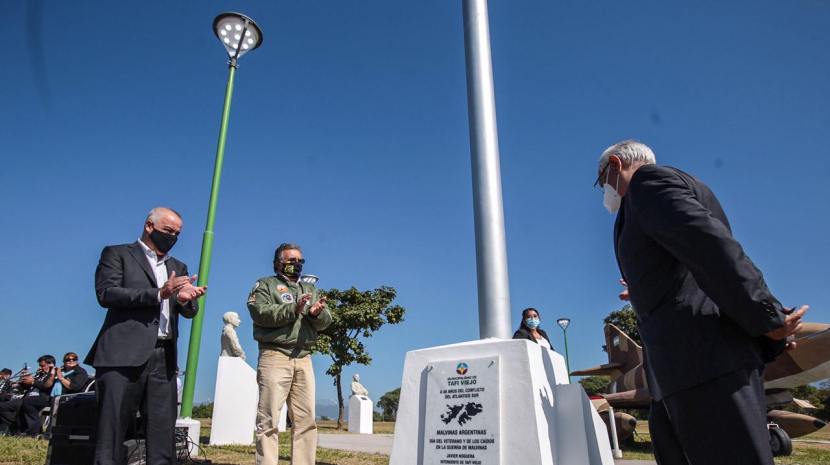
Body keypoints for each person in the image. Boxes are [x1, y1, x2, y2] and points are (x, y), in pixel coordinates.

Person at [596, 140, 807, 465]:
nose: (603, 191)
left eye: (601, 182)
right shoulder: (641, 201)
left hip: (703, 364)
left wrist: (767, 317)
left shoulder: (648, 184)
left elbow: (711, 247)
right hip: (676, 372)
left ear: (615, 164)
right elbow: (682, 265)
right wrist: (642, 287)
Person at [85, 207, 205, 465]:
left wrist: (184, 300)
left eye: (178, 234)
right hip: (122, 356)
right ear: (149, 226)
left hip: (164, 358)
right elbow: (106, 293)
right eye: (168, 231)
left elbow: (188, 310)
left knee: (162, 432)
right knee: (112, 430)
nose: (173, 237)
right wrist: (158, 293)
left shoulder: (178, 266)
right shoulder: (117, 254)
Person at [247, 243, 332, 465]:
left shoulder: (310, 289)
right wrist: (293, 309)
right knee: (269, 419)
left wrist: (316, 314)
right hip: (275, 355)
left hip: (304, 358)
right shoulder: (266, 285)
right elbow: (259, 312)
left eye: (300, 261)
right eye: (292, 260)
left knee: (306, 421)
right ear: (278, 263)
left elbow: (326, 321)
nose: (297, 264)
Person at [16, 355, 57, 436]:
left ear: (50, 364)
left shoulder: (53, 374)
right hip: (30, 396)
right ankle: (15, 429)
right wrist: (23, 382)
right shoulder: (40, 375)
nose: (40, 368)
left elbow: (46, 387)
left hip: (45, 398)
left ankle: (33, 431)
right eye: (40, 366)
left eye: (42, 366)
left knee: (27, 402)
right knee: (12, 404)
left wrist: (33, 382)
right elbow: (28, 387)